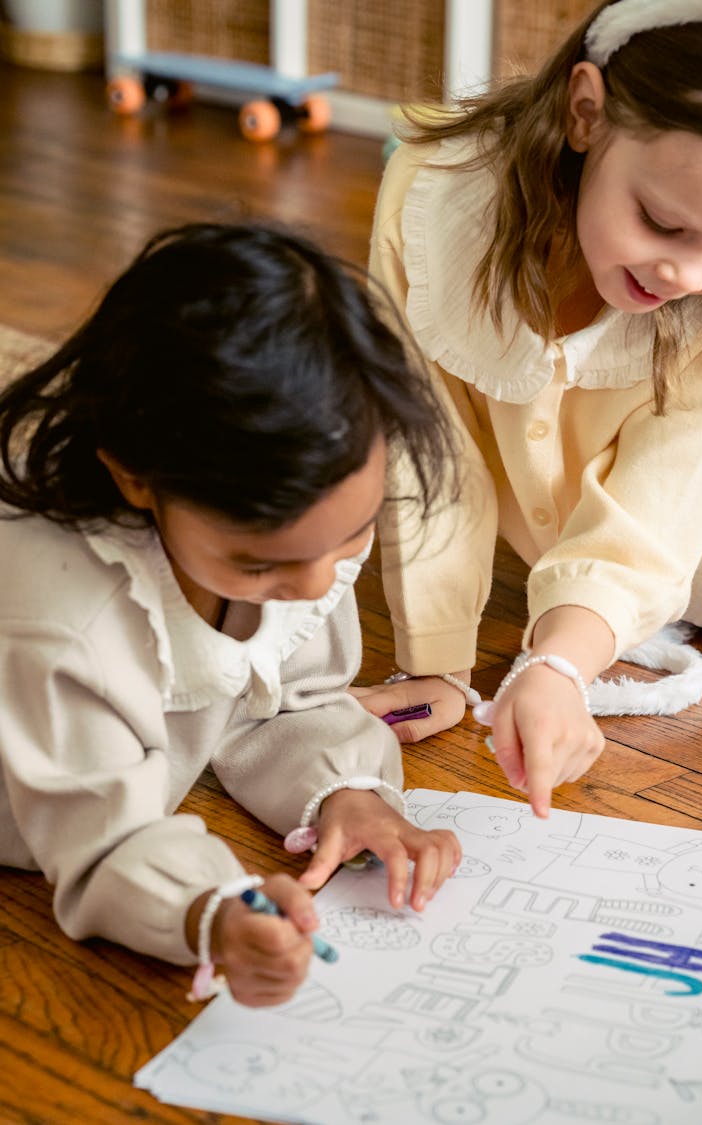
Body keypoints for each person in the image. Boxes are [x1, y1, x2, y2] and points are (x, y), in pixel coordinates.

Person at [0, 221, 461, 1008]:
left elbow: (288, 700)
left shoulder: (299, 519)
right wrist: (213, 909)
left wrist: (348, 790)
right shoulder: (62, 622)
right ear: (136, 479)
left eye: (351, 534)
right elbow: (103, 833)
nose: (318, 584)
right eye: (263, 564)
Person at [361, 0, 702, 819]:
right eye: (663, 223)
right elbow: (427, 440)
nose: (687, 273)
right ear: (584, 112)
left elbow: (661, 504)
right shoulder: (433, 196)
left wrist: (562, 664)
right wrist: (435, 660)